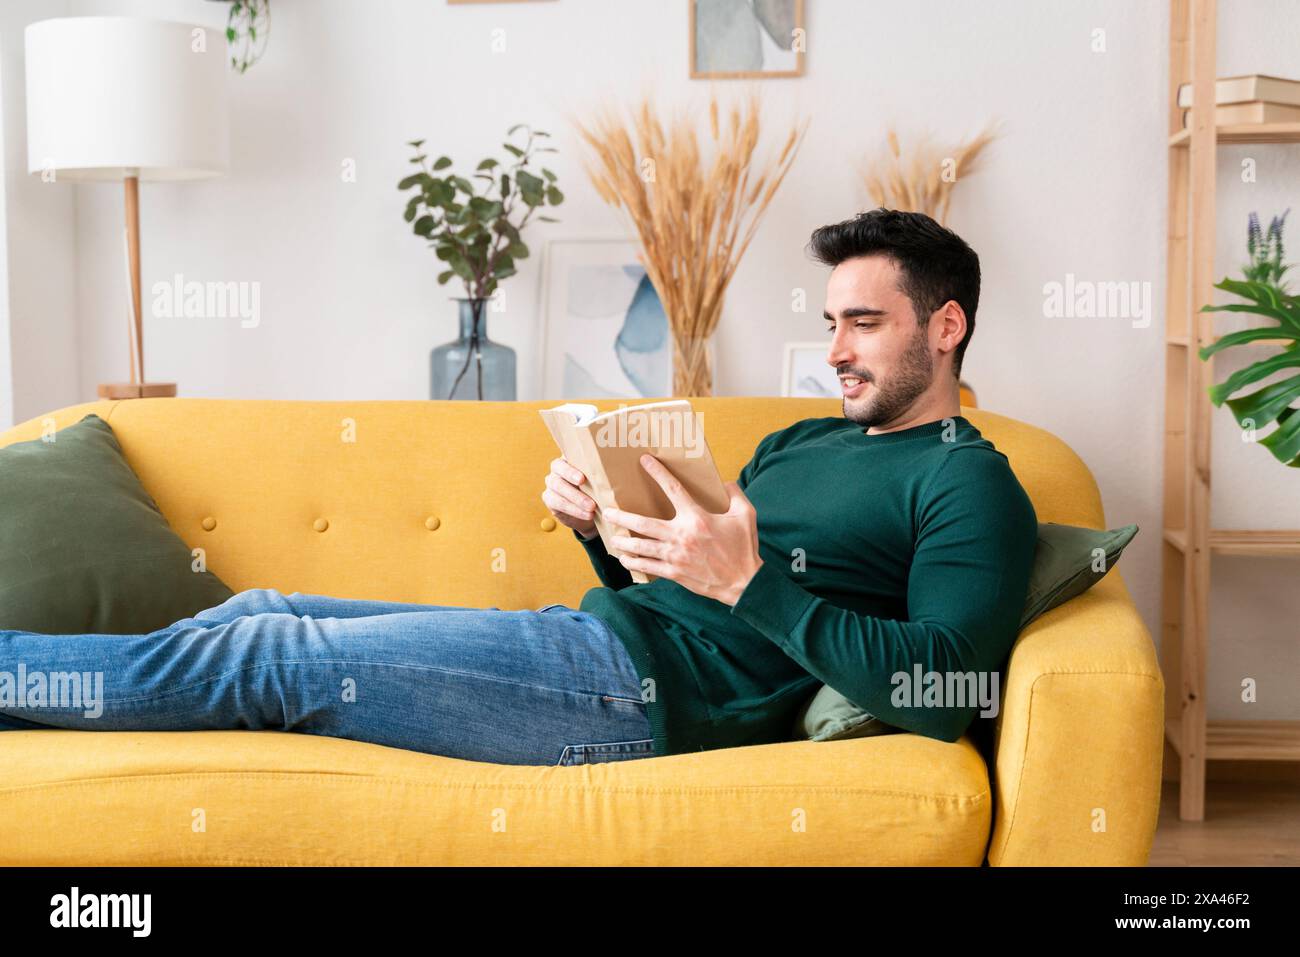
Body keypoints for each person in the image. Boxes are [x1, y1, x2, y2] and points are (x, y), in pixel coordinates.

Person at [0, 208, 1038, 768]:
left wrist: (748, 585)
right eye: (829, 323)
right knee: (259, 611)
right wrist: (602, 525)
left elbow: (943, 688)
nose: (837, 350)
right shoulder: (801, 437)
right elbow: (673, 576)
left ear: (944, 327)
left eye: (865, 324)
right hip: (594, 636)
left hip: (640, 699)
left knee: (270, 654)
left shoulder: (968, 484)